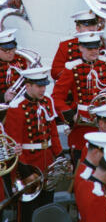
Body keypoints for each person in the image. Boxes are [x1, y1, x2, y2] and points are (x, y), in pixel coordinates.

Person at [52, 31, 106, 162]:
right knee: (82, 163)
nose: (94, 51)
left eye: (96, 47)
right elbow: (56, 97)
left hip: (105, 122)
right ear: (81, 48)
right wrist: (71, 115)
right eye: (90, 48)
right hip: (82, 124)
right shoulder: (73, 68)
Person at [4, 67, 63, 222]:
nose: (43, 89)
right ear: (28, 86)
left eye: (44, 86)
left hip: (47, 161)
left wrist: (60, 154)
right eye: (39, 86)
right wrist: (25, 171)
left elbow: (54, 132)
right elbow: (14, 142)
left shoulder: (47, 101)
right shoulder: (17, 107)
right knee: (28, 210)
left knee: (47, 203)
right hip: (28, 163)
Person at [51, 10, 106, 81]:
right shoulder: (66, 45)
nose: (91, 28)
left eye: (93, 24)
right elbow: (55, 73)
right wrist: (79, 72)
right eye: (86, 25)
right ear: (78, 28)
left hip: (100, 90)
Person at [0, 29, 30, 108]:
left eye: (13, 49)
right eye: (6, 50)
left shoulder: (21, 59)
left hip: (22, 104)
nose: (10, 53)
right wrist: (3, 97)